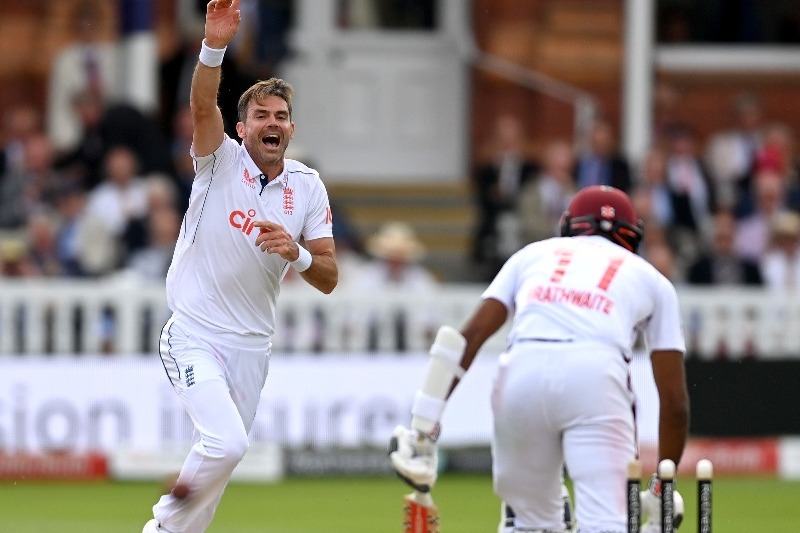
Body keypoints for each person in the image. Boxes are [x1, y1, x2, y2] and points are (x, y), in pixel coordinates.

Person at [141, 1, 338, 532]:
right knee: (226, 443)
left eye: (280, 117)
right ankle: (159, 527)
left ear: (290, 129)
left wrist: (294, 252)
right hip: (195, 333)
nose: (271, 124)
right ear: (242, 126)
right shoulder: (219, 159)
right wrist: (214, 46)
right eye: (261, 116)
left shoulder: (307, 186)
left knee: (219, 472)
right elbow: (203, 106)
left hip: (253, 346)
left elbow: (328, 276)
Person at [389, 185, 689, 533]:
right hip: (596, 374)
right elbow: (674, 401)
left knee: (529, 525)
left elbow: (466, 338)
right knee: (607, 523)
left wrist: (424, 429)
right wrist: (661, 484)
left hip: (521, 370)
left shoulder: (532, 254)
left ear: (568, 224)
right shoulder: (653, 279)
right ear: (632, 234)